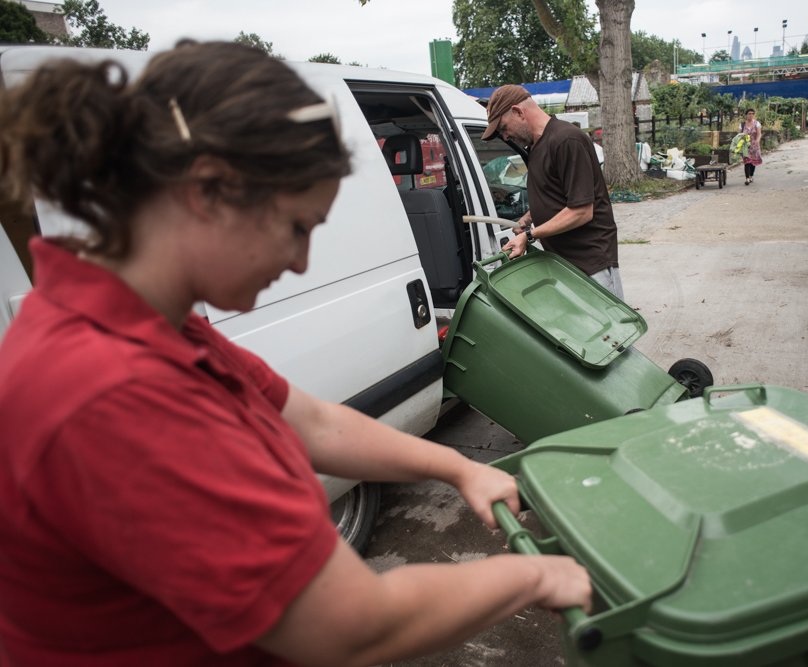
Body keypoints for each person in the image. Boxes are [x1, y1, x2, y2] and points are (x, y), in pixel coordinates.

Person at [0, 41, 590, 666]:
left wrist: (459, 469)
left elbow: (307, 418)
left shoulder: (141, 319)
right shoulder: (111, 392)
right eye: (296, 227)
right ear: (208, 195)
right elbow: (350, 625)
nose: (302, 261)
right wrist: (539, 578)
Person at [481, 84, 623, 300]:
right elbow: (556, 192)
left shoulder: (566, 140)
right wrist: (529, 217)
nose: (506, 136)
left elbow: (582, 211)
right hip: (565, 264)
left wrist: (530, 235)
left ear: (518, 112)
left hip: (591, 264)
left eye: (503, 128)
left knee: (610, 333)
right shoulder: (537, 146)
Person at [740, 109, 763, 185]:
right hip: (745, 146)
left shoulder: (757, 123)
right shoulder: (742, 124)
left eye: (752, 114)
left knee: (753, 162)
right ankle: (747, 179)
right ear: (746, 115)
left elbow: (759, 134)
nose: (751, 115)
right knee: (747, 162)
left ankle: (751, 176)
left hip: (754, 145)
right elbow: (739, 135)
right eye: (749, 113)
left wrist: (757, 140)